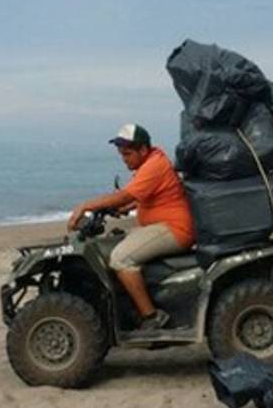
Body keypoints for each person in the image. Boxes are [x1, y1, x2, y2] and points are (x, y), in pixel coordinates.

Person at [68, 124, 195, 331]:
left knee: (121, 258)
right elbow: (145, 196)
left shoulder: (153, 166)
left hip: (175, 228)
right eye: (121, 154)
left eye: (127, 153)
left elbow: (125, 195)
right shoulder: (151, 162)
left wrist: (85, 206)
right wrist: (124, 207)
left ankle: (151, 317)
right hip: (164, 224)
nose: (124, 158)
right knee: (115, 243)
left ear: (143, 150)